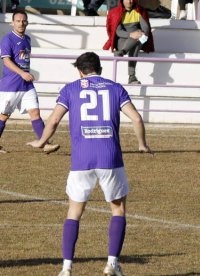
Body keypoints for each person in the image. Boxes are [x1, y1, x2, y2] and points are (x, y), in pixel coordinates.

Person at [27, 52, 153, 276]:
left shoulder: (70, 89)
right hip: (110, 157)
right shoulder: (116, 88)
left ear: (80, 70)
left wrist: (41, 142)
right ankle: (112, 263)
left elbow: (54, 120)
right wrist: (142, 144)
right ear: (100, 69)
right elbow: (136, 118)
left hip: (81, 160)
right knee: (118, 209)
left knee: (74, 212)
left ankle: (66, 268)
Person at [0, 11, 59, 154]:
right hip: (11, 85)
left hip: (26, 85)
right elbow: (6, 60)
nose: (21, 23)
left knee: (35, 113)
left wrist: (25, 75)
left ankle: (44, 144)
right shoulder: (7, 39)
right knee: (3, 116)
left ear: (27, 22)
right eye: (18, 21)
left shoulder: (27, 39)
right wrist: (22, 73)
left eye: (24, 21)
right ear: (12, 23)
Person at [103, 0, 154, 85]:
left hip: (138, 38)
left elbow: (146, 29)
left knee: (140, 39)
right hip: (122, 40)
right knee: (137, 41)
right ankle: (132, 76)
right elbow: (118, 32)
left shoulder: (139, 11)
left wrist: (138, 34)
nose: (129, 2)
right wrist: (131, 34)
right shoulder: (116, 12)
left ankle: (122, 52)